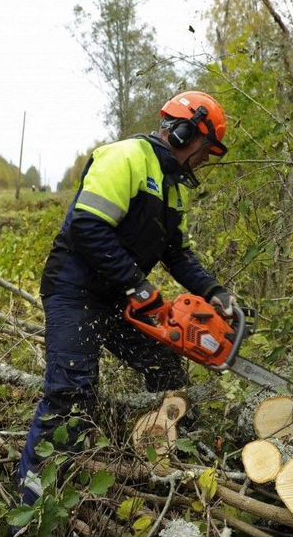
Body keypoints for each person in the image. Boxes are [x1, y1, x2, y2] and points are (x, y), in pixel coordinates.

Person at [17, 91, 236, 506]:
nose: (205, 161)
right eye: (205, 151)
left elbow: (176, 254)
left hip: (117, 293)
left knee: (164, 361)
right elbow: (87, 227)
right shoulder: (126, 157)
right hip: (74, 288)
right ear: (185, 133)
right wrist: (138, 285)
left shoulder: (174, 189)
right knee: (71, 391)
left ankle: (163, 451)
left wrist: (214, 291)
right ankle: (34, 500)